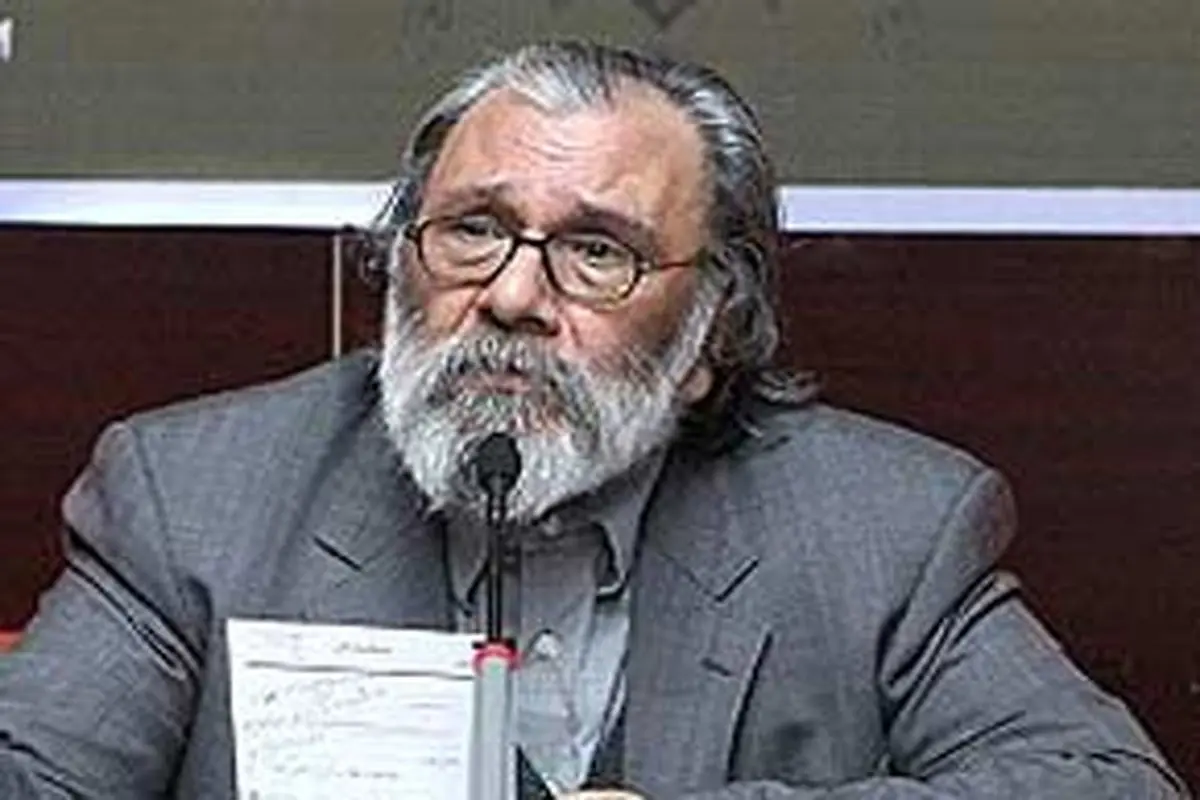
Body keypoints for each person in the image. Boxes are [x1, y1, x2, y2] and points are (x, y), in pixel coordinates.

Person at [0, 40, 1189, 800]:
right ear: (402, 258)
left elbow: (1104, 783)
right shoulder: (193, 495)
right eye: (472, 229)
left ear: (711, 332)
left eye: (596, 252)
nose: (513, 295)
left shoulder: (884, 528)